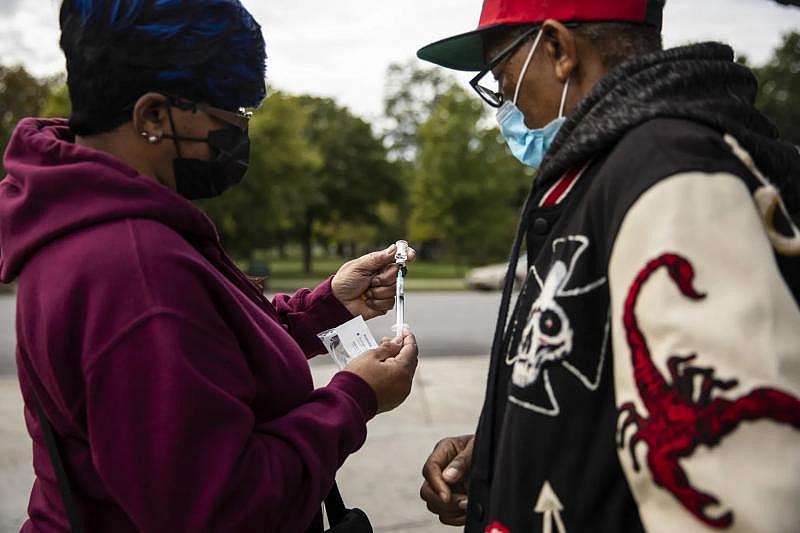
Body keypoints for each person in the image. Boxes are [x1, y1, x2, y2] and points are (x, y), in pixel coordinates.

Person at [0, 1, 418, 531]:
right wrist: (355, 397)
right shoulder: (135, 271)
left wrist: (327, 304)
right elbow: (221, 509)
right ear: (153, 116)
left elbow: (213, 355)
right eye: (232, 112)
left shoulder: (91, 220)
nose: (241, 132)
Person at [416, 0, 800, 531]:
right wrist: (507, 453)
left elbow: (736, 487)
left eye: (501, 80)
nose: (503, 106)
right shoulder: (606, 170)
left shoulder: (668, 176)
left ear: (557, 50)